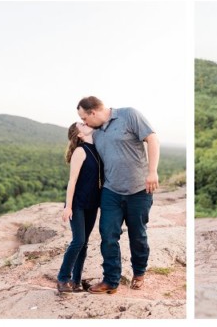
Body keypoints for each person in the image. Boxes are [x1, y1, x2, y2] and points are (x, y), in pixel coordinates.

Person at [76, 96, 160, 295]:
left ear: (93, 112)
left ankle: (139, 273)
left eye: (84, 118)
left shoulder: (129, 114)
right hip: (111, 191)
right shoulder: (95, 132)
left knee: (137, 235)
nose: (84, 122)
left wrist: (152, 171)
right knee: (108, 235)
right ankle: (111, 280)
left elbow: (152, 139)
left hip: (139, 190)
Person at [57, 122, 102, 294]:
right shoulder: (80, 151)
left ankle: (76, 281)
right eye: (81, 124)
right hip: (77, 204)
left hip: (92, 203)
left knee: (84, 244)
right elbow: (72, 181)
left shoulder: (97, 149)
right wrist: (68, 206)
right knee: (78, 241)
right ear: (80, 134)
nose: (85, 123)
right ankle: (63, 278)